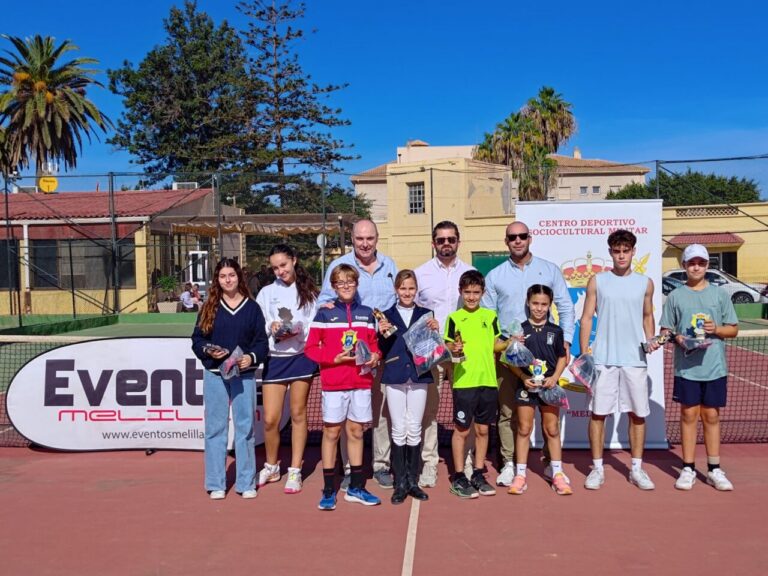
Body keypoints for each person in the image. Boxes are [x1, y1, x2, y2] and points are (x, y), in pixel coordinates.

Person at [482, 221, 574, 487]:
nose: (518, 240)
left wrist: (565, 341)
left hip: (545, 354)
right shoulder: (496, 276)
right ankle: (510, 464)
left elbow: (566, 307)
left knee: (549, 416)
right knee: (509, 412)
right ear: (506, 241)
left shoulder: (549, 270)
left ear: (530, 238)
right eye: (513, 237)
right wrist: (500, 345)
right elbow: (489, 318)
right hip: (510, 358)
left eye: (522, 236)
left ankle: (550, 465)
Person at [318, 219, 398, 489]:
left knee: (381, 409)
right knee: (348, 413)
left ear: (377, 238)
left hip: (382, 348)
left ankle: (381, 465)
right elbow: (324, 302)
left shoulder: (390, 266)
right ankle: (351, 468)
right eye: (360, 239)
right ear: (352, 239)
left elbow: (398, 303)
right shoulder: (338, 266)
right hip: (350, 353)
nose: (365, 243)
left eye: (370, 238)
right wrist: (329, 303)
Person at [579, 229, 659, 491]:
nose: (621, 255)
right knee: (598, 414)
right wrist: (585, 354)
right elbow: (587, 318)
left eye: (626, 250)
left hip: (635, 360)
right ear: (611, 252)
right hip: (602, 359)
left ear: (633, 251)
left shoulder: (645, 283)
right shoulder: (597, 281)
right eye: (617, 250)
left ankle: (636, 468)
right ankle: (597, 468)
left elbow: (648, 316)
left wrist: (650, 340)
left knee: (637, 415)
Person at [660, 244, 738, 491]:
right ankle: (688, 467)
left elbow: (733, 329)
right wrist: (678, 338)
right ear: (684, 266)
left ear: (707, 265)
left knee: (711, 416)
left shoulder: (720, 295)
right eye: (692, 263)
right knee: (688, 415)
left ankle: (714, 468)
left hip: (714, 367)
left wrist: (716, 329)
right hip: (686, 368)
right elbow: (666, 330)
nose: (696, 267)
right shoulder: (675, 296)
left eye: (701, 263)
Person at [305, 264, 382, 510]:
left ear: (357, 285)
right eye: (341, 282)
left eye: (350, 282)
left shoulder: (367, 313)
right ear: (334, 286)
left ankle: (356, 488)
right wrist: (334, 358)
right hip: (333, 383)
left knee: (357, 432)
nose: (346, 286)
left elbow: (374, 345)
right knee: (331, 433)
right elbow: (310, 349)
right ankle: (328, 490)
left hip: (360, 381)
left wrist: (375, 356)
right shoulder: (324, 314)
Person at [191, 258, 269, 500]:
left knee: (245, 428)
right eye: (223, 276)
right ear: (217, 280)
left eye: (232, 275)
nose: (228, 280)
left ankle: (246, 482)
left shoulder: (252, 308)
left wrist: (251, 357)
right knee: (215, 429)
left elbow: (261, 343)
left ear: (239, 277)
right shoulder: (209, 307)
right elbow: (197, 340)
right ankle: (216, 483)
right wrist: (208, 350)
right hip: (215, 375)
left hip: (243, 375)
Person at [413, 220, 475, 488]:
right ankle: (429, 462)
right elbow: (413, 314)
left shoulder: (471, 272)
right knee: (430, 411)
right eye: (441, 240)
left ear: (458, 241)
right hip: (433, 351)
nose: (446, 244)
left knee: (466, 407)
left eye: (451, 239)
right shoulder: (421, 274)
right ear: (433, 243)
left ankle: (468, 460)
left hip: (463, 351)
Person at [255, 244, 319, 494]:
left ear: (294, 260)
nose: (280, 271)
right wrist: (272, 327)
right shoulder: (266, 293)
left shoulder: (310, 292)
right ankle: (271, 466)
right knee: (271, 419)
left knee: (298, 414)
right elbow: (260, 322)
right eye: (275, 267)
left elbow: (313, 325)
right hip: (275, 359)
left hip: (301, 358)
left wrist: (299, 329)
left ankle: (295, 469)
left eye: (283, 265)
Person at [444, 270, 507, 499]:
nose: (471, 297)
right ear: (461, 292)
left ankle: (478, 473)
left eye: (476, 292)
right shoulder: (453, 318)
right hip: (464, 382)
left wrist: (511, 343)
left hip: (488, 381)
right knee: (462, 430)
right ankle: (459, 476)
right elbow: (448, 347)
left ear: (482, 293)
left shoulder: (490, 317)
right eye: (467, 292)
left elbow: (495, 345)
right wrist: (454, 349)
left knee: (483, 429)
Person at [504, 285, 572, 495]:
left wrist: (555, 377)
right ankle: (520, 474)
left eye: (544, 304)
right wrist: (524, 377)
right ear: (528, 303)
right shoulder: (520, 330)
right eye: (535, 303)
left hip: (549, 386)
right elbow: (510, 359)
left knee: (551, 429)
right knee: (524, 428)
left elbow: (563, 356)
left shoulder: (556, 331)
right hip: (527, 387)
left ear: (549, 305)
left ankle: (557, 473)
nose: (539, 308)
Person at [377, 270, 437, 504]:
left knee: (414, 427)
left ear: (416, 290)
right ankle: (400, 481)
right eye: (403, 288)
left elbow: (431, 345)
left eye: (411, 288)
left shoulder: (425, 314)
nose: (407, 292)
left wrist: (434, 329)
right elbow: (382, 347)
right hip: (395, 375)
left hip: (419, 374)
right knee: (398, 427)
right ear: (396, 290)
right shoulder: (387, 315)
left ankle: (413, 480)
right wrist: (381, 333)